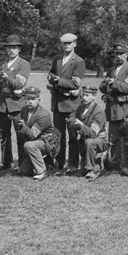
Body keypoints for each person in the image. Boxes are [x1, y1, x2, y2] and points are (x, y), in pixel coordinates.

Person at [0, 34, 30, 171]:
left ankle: (23, 164)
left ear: (19, 49)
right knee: (4, 134)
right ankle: (6, 162)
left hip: (17, 104)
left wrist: (6, 78)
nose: (11, 50)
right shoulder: (2, 65)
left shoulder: (23, 64)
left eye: (14, 48)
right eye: (9, 48)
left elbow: (19, 84)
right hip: (3, 105)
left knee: (21, 134)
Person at [47, 32, 86, 173]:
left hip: (72, 104)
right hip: (57, 102)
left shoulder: (79, 61)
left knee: (73, 135)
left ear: (75, 44)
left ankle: (73, 164)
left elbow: (75, 83)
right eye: (64, 43)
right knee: (58, 135)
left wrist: (58, 81)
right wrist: (51, 79)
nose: (66, 46)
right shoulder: (57, 59)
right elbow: (51, 74)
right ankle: (59, 163)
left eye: (69, 43)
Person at [100, 43, 128, 171]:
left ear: (126, 55)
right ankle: (115, 162)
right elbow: (103, 87)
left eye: (121, 53)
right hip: (112, 108)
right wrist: (105, 84)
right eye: (116, 53)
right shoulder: (111, 70)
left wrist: (113, 83)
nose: (118, 56)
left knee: (127, 137)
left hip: (124, 108)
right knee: (113, 138)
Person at [14, 87, 59, 180]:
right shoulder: (24, 110)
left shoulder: (43, 114)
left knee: (29, 145)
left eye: (33, 99)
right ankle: (46, 162)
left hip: (47, 143)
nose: (30, 101)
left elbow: (32, 135)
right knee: (24, 171)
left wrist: (22, 126)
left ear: (39, 100)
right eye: (28, 99)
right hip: (35, 142)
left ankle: (42, 171)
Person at [69, 84, 108, 180]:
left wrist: (81, 126)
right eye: (83, 95)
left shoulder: (98, 111)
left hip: (98, 140)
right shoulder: (80, 108)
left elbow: (93, 133)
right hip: (85, 139)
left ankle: (93, 169)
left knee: (90, 142)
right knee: (83, 171)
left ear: (94, 96)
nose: (84, 98)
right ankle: (91, 165)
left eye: (87, 95)